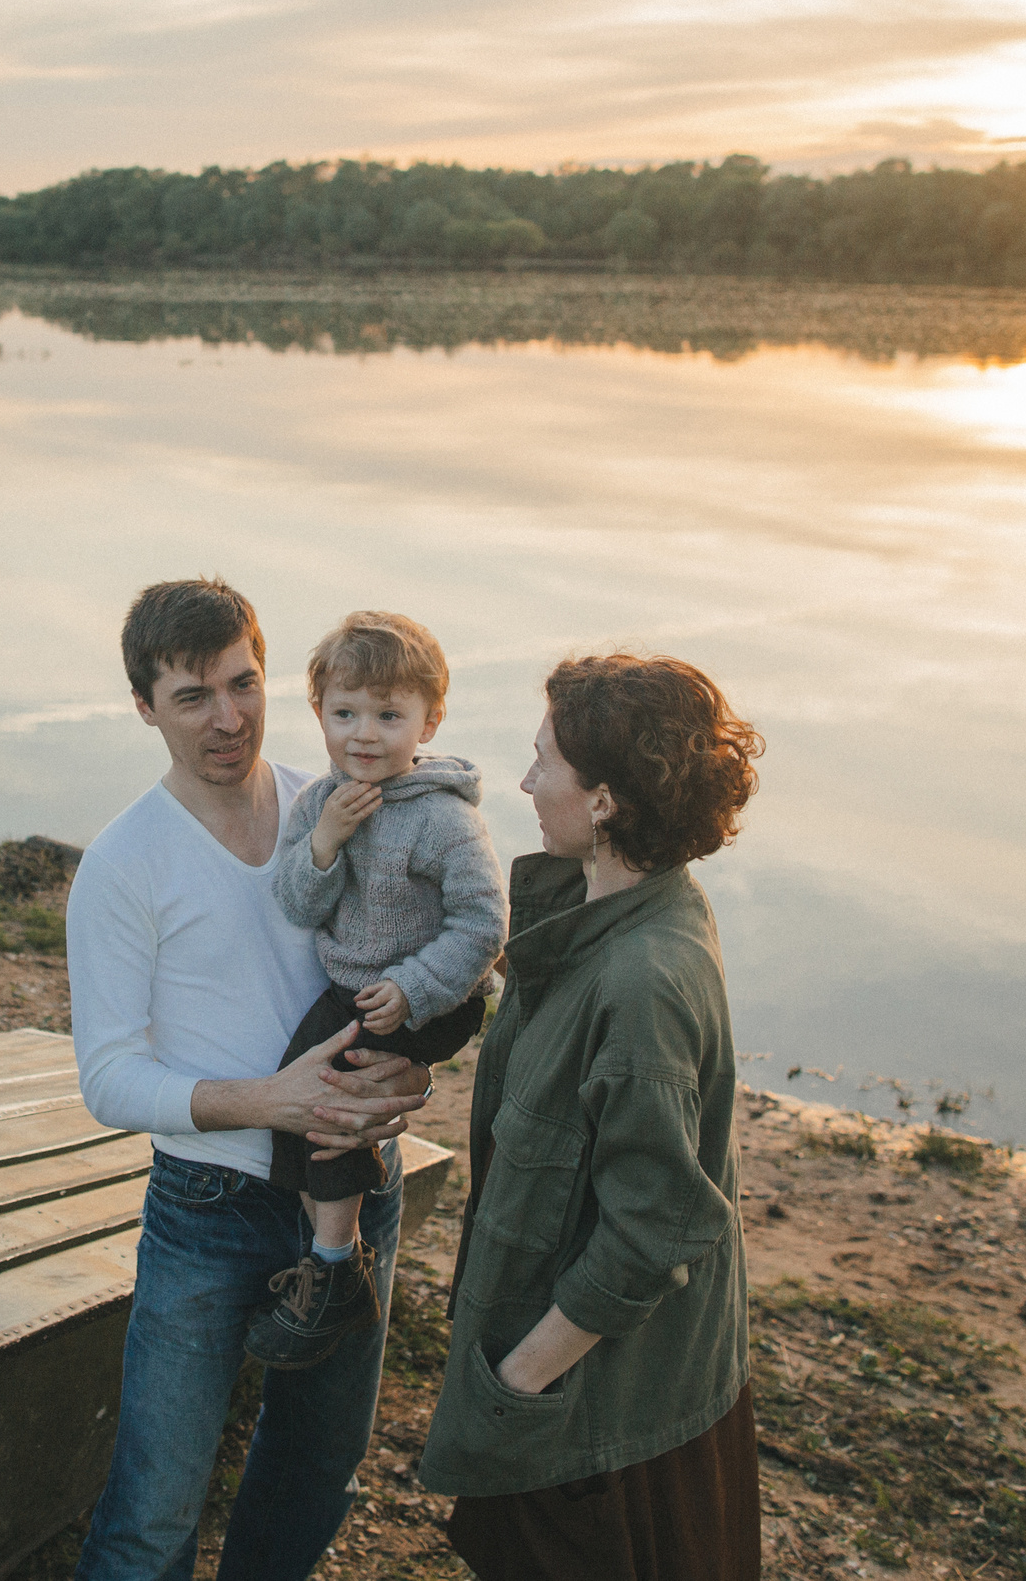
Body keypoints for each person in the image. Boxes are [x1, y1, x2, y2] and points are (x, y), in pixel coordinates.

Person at [68, 578, 435, 1581]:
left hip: (357, 1188)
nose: (227, 718)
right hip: (209, 1207)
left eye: (243, 684)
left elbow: (416, 956)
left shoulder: (339, 809)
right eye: (192, 697)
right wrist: (267, 1101)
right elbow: (108, 1079)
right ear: (144, 706)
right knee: (153, 1510)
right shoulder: (124, 862)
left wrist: (410, 1061)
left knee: (318, 1474)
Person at [416, 654, 766, 1581]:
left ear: (605, 801)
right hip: (597, 1394)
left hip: (608, 1423)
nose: (525, 782)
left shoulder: (643, 981)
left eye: (545, 762)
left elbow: (651, 1231)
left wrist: (519, 1379)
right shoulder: (623, 905)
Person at [254, 611, 505, 1369]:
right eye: (345, 714)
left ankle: (333, 1271)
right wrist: (325, 842)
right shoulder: (318, 804)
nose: (364, 734)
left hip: (434, 994)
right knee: (292, 1100)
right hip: (358, 990)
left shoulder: (442, 816)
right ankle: (340, 1261)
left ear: (429, 720)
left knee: (329, 1100)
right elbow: (297, 905)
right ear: (319, 713)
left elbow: (484, 921)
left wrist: (414, 986)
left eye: (389, 716)